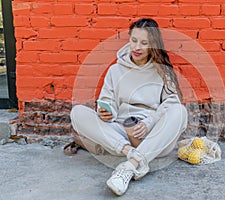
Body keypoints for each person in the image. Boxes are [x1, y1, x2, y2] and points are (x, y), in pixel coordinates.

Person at [70, 18, 187, 196]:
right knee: (77, 113)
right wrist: (106, 112)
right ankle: (132, 154)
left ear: (153, 45)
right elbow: (107, 100)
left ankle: (128, 166)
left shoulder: (163, 71)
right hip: (121, 132)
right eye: (134, 40)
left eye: (144, 43)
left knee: (180, 111)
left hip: (152, 135)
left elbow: (170, 104)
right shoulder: (115, 70)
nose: (137, 47)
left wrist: (148, 123)